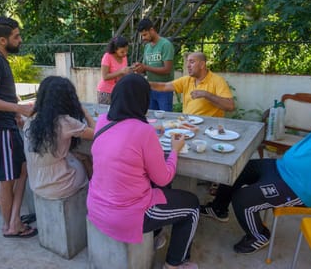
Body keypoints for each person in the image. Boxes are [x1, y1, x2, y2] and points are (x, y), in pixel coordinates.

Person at [200, 86, 311, 254]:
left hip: (299, 188)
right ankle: (218, 208)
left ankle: (258, 235)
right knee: (237, 169)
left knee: (243, 199)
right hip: (281, 167)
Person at [87, 73, 200, 269]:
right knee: (192, 205)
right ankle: (175, 263)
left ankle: (156, 235)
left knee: (154, 184)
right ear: (143, 99)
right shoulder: (143, 131)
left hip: (96, 206)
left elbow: (125, 137)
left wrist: (152, 133)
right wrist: (175, 150)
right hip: (126, 215)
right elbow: (163, 178)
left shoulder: (103, 121)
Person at [0, 16, 37, 238]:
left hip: (5, 125)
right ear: (3, 40)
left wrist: (14, 112)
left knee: (21, 169)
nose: (20, 40)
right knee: (6, 179)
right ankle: (11, 226)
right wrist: (19, 109)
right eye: (16, 36)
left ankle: (14, 219)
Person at [23, 76, 96, 199]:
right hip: (60, 186)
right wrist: (85, 113)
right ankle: (94, 192)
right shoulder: (65, 122)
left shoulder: (30, 119)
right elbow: (97, 133)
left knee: (72, 155)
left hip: (36, 183)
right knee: (84, 158)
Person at [149, 51, 235, 117]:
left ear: (202, 65)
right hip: (187, 125)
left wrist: (206, 95)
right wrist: (142, 82)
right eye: (187, 62)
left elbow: (230, 106)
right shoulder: (187, 80)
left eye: (192, 62)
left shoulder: (218, 80)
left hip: (210, 129)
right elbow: (163, 86)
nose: (187, 65)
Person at [133, 18, 175, 111]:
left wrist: (145, 67)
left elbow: (167, 69)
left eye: (145, 34)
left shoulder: (166, 45)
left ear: (152, 30)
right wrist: (139, 67)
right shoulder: (147, 47)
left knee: (165, 118)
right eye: (142, 36)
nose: (143, 38)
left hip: (164, 88)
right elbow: (145, 68)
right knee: (151, 118)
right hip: (150, 87)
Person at [96, 36, 132, 105]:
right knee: (106, 114)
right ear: (115, 50)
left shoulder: (124, 57)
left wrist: (130, 70)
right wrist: (121, 71)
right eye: (122, 52)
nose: (125, 54)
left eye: (127, 51)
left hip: (119, 91)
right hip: (106, 92)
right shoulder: (107, 56)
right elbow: (105, 77)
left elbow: (123, 74)